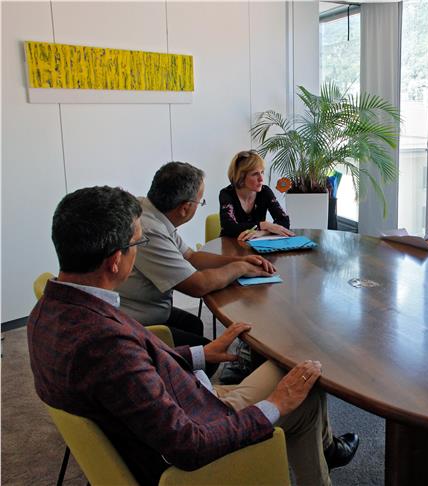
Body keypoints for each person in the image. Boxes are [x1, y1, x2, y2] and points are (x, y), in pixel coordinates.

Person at [28, 186, 358, 486]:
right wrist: (274, 405)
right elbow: (190, 446)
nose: (139, 251)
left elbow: (137, 369)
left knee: (295, 368)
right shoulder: (103, 344)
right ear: (115, 261)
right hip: (200, 429)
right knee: (305, 388)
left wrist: (202, 353)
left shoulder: (50, 309)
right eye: (138, 244)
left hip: (183, 398)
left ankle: (317, 452)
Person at [118, 162, 273, 346]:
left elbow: (191, 256)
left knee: (194, 325)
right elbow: (197, 285)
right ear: (185, 208)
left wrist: (239, 259)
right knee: (209, 353)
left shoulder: (150, 210)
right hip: (134, 321)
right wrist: (239, 267)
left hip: (149, 308)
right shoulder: (150, 230)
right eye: (200, 202)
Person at [220, 150, 293, 242]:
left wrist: (262, 233)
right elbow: (229, 228)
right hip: (230, 246)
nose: (261, 179)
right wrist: (264, 225)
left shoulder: (265, 191)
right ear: (241, 177)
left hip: (256, 246)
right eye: (255, 174)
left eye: (262, 172)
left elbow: (284, 221)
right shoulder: (226, 194)